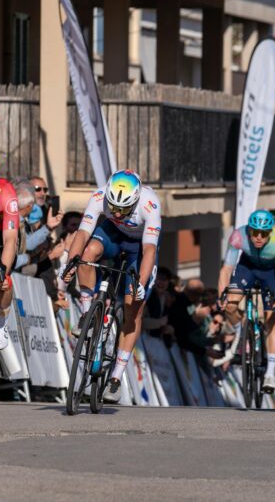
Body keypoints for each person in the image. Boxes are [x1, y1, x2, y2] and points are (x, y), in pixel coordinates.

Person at [62, 169, 162, 402]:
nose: (116, 212)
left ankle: (116, 377)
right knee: (86, 255)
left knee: (132, 308)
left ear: (135, 200)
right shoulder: (99, 197)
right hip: (113, 235)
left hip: (140, 246)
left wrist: (141, 283)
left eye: (122, 209)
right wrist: (70, 264)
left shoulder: (150, 205)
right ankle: (88, 314)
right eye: (113, 207)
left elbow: (149, 250)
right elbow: (82, 233)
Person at [217, 209, 275, 393]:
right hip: (247, 267)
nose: (258, 237)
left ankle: (269, 375)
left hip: (271, 273)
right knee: (231, 304)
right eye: (254, 232)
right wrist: (222, 294)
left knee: (271, 319)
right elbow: (226, 269)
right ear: (249, 230)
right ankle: (241, 332)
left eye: (264, 233)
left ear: (271, 232)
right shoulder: (238, 236)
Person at [0, 176, 20, 350]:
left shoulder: (5, 192)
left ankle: (1, 322)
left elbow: (10, 240)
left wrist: (2, 269)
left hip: (2, 235)